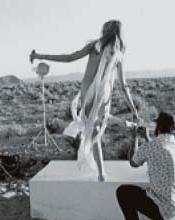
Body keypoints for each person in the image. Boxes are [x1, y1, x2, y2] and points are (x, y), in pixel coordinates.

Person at [30, 20, 139, 181]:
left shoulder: (95, 46)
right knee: (98, 126)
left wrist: (41, 56)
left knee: (92, 129)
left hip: (88, 92)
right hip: (105, 92)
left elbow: (69, 58)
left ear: (105, 30)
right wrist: (133, 109)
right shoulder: (118, 54)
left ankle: (102, 173)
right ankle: (125, 125)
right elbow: (124, 85)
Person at [116, 112, 175, 220]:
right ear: (173, 129)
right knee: (157, 201)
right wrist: (147, 138)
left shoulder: (150, 146)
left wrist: (135, 138)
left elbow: (133, 162)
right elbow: (159, 152)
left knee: (123, 192)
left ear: (158, 128)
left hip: (166, 207)